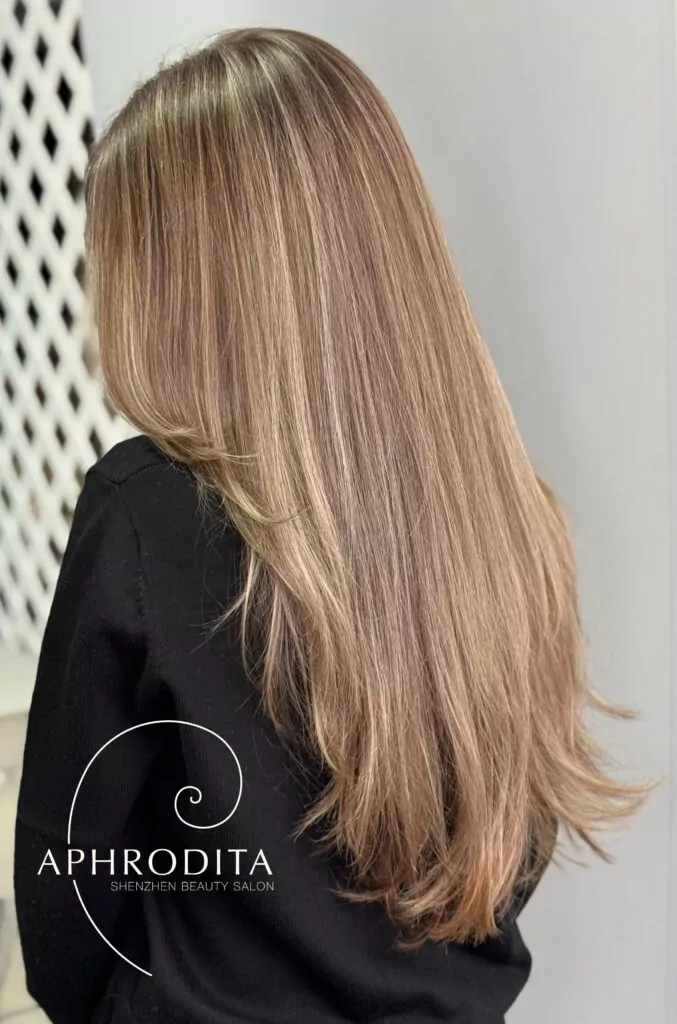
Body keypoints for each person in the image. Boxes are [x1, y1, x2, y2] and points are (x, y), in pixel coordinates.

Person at [14, 27, 646, 1024]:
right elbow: (504, 848)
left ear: (177, 288)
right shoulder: (506, 518)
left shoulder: (143, 515)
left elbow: (68, 896)